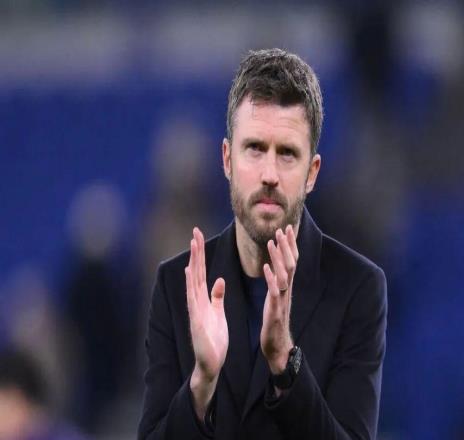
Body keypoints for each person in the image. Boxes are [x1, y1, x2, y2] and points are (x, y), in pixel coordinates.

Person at [138, 48, 387, 440]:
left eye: (287, 153)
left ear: (312, 173)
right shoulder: (176, 286)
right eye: (254, 149)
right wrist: (202, 383)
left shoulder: (357, 288)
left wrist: (285, 362)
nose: (269, 173)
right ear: (227, 159)